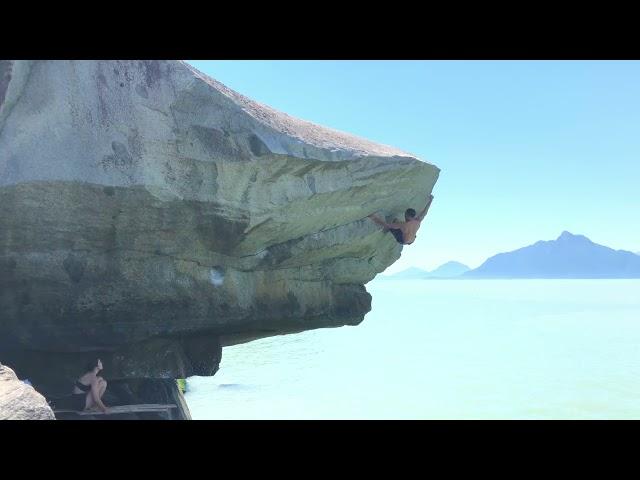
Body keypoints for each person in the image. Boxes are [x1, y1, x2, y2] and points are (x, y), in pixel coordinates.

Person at [368, 194, 434, 245]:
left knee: (394, 222)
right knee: (401, 225)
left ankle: (391, 231)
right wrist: (430, 200)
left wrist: (374, 218)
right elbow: (425, 212)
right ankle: (407, 235)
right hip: (412, 240)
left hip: (402, 240)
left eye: (405, 215)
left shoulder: (403, 225)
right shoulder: (418, 221)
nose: (404, 216)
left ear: (407, 215)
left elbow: (386, 225)